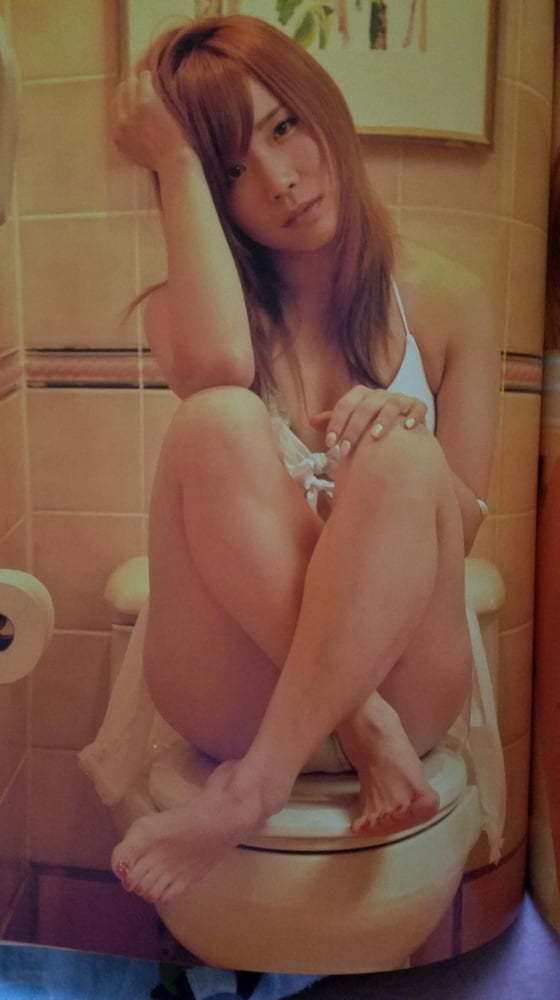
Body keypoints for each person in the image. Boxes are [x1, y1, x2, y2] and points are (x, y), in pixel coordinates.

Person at [109, 14, 500, 907]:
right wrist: (174, 161)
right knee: (215, 418)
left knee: (401, 451)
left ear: (323, 107)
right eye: (230, 171)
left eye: (284, 126)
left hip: (404, 675)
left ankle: (256, 786)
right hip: (240, 690)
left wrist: (403, 435)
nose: (280, 180)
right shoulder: (188, 312)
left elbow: (464, 531)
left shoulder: (450, 299)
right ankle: (350, 727)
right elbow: (219, 370)